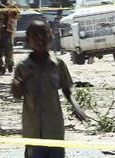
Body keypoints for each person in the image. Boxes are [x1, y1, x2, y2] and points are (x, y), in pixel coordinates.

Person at [11, 20, 87, 158]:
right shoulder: (22, 67)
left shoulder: (58, 64)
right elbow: (17, 95)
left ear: (51, 36)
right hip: (33, 131)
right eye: (35, 35)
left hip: (54, 129)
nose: (40, 38)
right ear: (28, 40)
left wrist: (76, 106)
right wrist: (17, 87)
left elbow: (67, 89)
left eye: (44, 33)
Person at [0, 0, 20, 75]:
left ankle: (9, 63)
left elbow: (17, 15)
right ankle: (1, 65)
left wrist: (10, 13)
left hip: (8, 29)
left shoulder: (12, 3)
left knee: (9, 47)